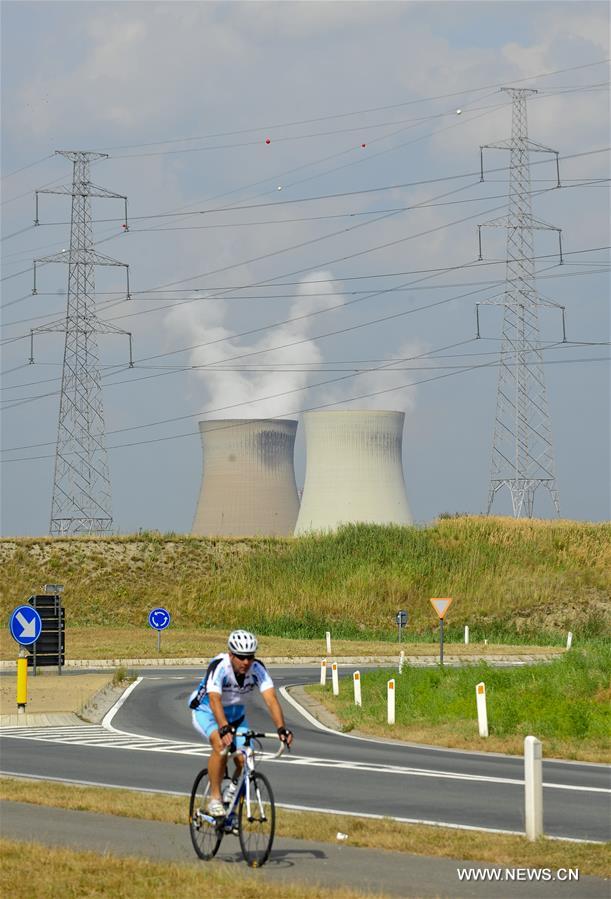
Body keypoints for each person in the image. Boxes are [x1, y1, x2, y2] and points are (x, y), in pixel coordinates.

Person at [189, 629, 293, 816]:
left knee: (247, 756)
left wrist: (281, 728)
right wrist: (223, 727)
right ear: (231, 655)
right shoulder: (219, 666)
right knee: (220, 745)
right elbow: (214, 700)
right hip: (208, 713)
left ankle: (232, 789)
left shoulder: (257, 669)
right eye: (241, 657)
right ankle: (214, 798)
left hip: (237, 717)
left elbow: (271, 699)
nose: (246, 662)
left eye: (250, 657)